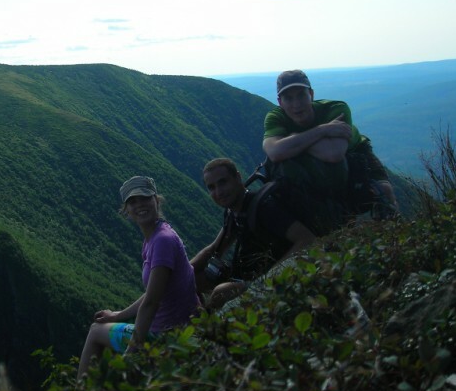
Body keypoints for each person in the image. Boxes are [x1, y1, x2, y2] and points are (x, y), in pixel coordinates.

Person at [77, 175, 200, 378]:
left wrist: (132, 351)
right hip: (178, 328)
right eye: (132, 202)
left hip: (166, 337)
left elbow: (151, 302)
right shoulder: (157, 236)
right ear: (126, 210)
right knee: (103, 327)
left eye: (144, 198)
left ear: (156, 200)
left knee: (95, 331)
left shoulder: (161, 241)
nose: (139, 205)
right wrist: (117, 315)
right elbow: (155, 291)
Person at [262, 69, 398, 230]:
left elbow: (334, 153)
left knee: (384, 191)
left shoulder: (336, 109)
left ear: (311, 94)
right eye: (288, 98)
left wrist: (292, 141)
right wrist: (323, 131)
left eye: (301, 95)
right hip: (314, 162)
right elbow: (274, 152)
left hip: (356, 152)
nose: (296, 104)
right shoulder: (275, 117)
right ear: (280, 102)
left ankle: (393, 238)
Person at [190, 158, 317, 311]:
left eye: (223, 182)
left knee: (220, 293)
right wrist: (183, 272)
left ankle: (209, 327)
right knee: (191, 280)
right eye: (211, 187)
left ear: (237, 177)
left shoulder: (264, 207)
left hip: (266, 278)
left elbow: (307, 239)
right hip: (247, 274)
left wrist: (266, 281)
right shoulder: (233, 212)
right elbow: (215, 248)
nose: (218, 192)